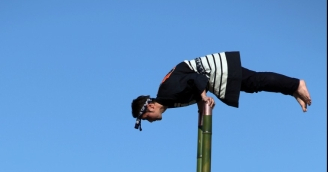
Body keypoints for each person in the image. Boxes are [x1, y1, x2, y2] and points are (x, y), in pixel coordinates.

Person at [131, 51, 312, 130]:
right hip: (216, 70)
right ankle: (293, 89)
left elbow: (196, 78)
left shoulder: (167, 93)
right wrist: (201, 103)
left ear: (150, 107)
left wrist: (203, 96)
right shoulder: (168, 98)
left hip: (216, 70)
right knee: (254, 83)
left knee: (254, 82)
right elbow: (191, 84)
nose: (150, 122)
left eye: (146, 119)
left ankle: (296, 85)